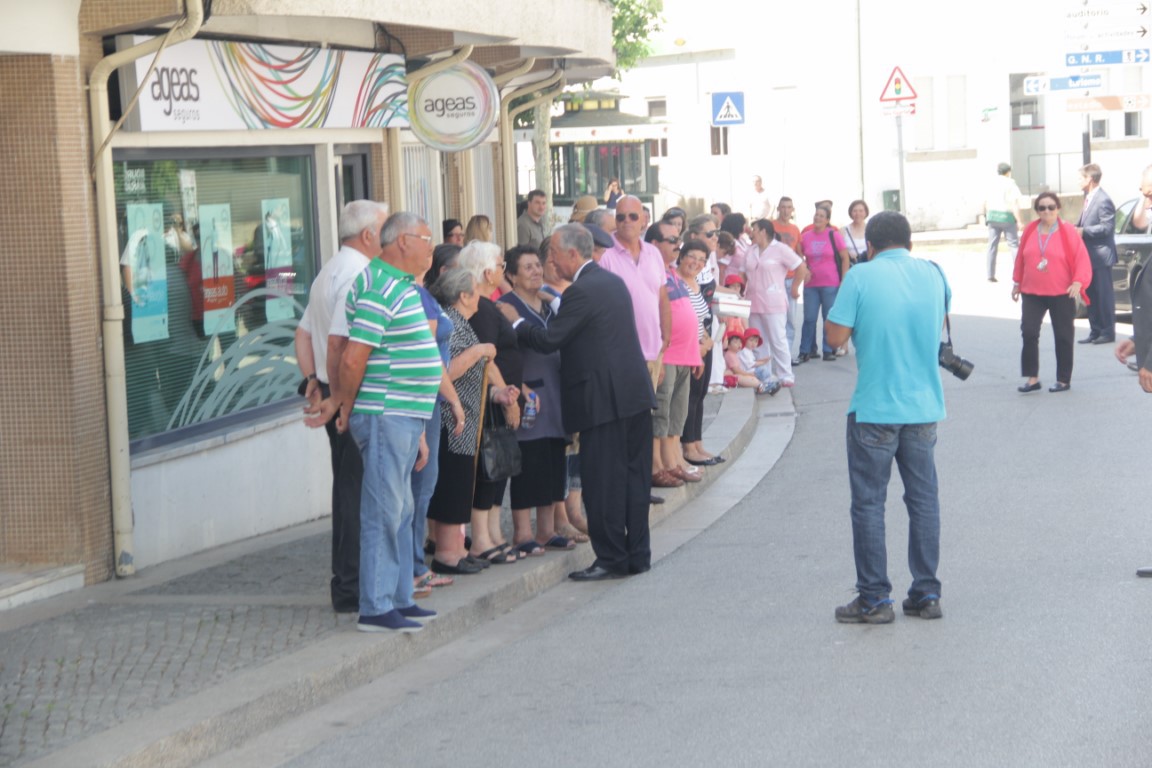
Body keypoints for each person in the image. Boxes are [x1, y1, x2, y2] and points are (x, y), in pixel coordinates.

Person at [305, 212, 443, 634]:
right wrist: (342, 405)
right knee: (383, 509)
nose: (431, 247)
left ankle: (399, 596)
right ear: (402, 241)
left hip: (403, 414)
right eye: (426, 238)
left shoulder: (396, 284)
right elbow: (350, 355)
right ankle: (376, 605)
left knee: (399, 509)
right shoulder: (379, 285)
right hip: (385, 413)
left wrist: (418, 427)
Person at [501, 224, 656, 581]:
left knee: (602, 483)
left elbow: (548, 339)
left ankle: (611, 558)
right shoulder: (611, 282)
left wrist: (516, 322)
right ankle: (637, 554)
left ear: (573, 254)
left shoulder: (582, 291)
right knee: (634, 480)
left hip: (604, 402)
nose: (549, 262)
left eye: (553, 254)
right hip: (632, 396)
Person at [825, 210, 951, 624]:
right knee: (923, 500)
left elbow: (835, 337)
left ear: (870, 247)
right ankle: (926, 593)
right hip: (923, 407)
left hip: (875, 407)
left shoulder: (860, 277)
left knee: (868, 504)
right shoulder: (934, 274)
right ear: (910, 243)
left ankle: (875, 599)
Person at [294, 200, 387, 613]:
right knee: (357, 493)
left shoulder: (327, 271)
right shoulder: (357, 274)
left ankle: (350, 581)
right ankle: (352, 584)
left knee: (348, 489)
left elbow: (302, 335)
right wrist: (339, 399)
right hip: (353, 395)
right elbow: (345, 347)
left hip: (338, 392)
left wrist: (313, 381)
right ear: (368, 235)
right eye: (383, 231)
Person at [425, 268, 519, 575]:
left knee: (460, 485)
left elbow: (470, 380)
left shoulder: (458, 321)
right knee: (452, 487)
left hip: (465, 421)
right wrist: (477, 350)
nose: (481, 295)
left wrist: (497, 395)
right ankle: (447, 553)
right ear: (464, 295)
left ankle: (454, 548)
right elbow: (445, 371)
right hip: (454, 422)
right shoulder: (449, 321)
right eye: (476, 290)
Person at [499, 246, 574, 555]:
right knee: (529, 463)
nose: (535, 271)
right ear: (511, 275)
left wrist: (554, 301)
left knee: (554, 461)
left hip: (557, 393)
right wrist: (519, 385)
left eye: (537, 265)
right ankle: (523, 533)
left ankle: (546, 530)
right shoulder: (505, 307)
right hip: (529, 394)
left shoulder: (548, 304)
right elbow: (502, 352)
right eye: (526, 267)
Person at [460, 241, 524, 564]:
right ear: (487, 272)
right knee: (488, 468)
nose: (503, 271)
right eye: (500, 265)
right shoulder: (482, 308)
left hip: (501, 396)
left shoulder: (488, 305)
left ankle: (494, 533)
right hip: (489, 400)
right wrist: (506, 397)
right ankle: (481, 539)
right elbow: (486, 358)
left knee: (499, 469)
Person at [1011, 192, 1092, 393]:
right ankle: (1032, 378)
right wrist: (1016, 282)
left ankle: (1063, 379)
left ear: (1058, 209)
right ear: (1037, 211)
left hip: (1061, 293)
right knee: (1029, 332)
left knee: (1063, 336)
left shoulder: (1068, 231)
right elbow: (1021, 257)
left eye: (1050, 207)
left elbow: (1081, 257)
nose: (1046, 211)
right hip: (1032, 292)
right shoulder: (1030, 230)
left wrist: (1078, 282)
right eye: (1041, 208)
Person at [648, 220, 704, 488]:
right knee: (661, 411)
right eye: (672, 241)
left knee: (677, 413)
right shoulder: (652, 270)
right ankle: (657, 465)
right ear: (654, 244)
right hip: (666, 355)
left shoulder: (671, 272)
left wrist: (696, 355)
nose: (677, 246)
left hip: (684, 355)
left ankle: (673, 461)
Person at [600, 195, 670, 398]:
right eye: (621, 217)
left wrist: (664, 340)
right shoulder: (605, 254)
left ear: (643, 219)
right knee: (626, 420)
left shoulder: (653, 253)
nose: (626, 222)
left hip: (652, 353)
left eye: (632, 216)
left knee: (646, 420)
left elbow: (662, 297)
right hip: (621, 355)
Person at [745, 218, 807, 387]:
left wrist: (795, 287)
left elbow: (800, 267)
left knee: (778, 338)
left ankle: (785, 375)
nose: (752, 233)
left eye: (755, 230)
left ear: (764, 231)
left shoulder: (780, 249)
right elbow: (743, 273)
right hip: (753, 301)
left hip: (774, 301)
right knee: (758, 341)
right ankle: (764, 373)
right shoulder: (751, 251)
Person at [677, 238, 722, 467]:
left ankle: (697, 443)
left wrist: (706, 342)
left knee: (700, 395)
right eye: (692, 257)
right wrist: (698, 346)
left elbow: (702, 319)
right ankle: (687, 447)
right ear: (682, 256)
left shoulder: (694, 283)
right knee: (689, 398)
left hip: (702, 346)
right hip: (686, 349)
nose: (696, 263)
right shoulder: (676, 283)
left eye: (702, 260)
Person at [798, 206, 850, 362]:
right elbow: (800, 257)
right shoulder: (806, 236)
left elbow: (845, 257)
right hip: (811, 284)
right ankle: (805, 351)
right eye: (816, 215)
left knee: (829, 317)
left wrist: (844, 279)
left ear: (827, 220)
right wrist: (805, 269)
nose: (818, 218)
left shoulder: (834, 235)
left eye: (822, 216)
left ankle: (828, 349)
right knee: (809, 318)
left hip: (830, 283)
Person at [1075, 163, 1118, 345]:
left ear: (1090, 179)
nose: (1078, 181)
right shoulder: (1089, 198)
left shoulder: (1103, 199)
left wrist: (1083, 231)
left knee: (1103, 296)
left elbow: (1107, 228)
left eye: (1081, 178)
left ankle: (1107, 332)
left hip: (1100, 256)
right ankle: (1095, 330)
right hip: (1088, 257)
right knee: (1090, 295)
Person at [773, 196, 803, 354]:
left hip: (790, 278)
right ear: (778, 208)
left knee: (790, 319)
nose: (785, 210)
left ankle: (789, 354)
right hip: (774, 280)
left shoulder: (795, 229)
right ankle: (774, 354)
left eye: (789, 207)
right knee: (774, 318)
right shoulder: (771, 226)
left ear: (792, 210)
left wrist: (799, 281)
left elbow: (799, 254)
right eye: (783, 207)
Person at [985, 162, 1023, 283]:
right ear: (1008, 172)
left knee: (992, 245)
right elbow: (1014, 203)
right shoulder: (1010, 183)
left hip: (992, 216)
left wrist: (987, 215)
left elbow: (986, 201)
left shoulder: (991, 183)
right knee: (1013, 245)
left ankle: (990, 274)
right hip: (1006, 217)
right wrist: (1019, 220)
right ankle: (1019, 274)